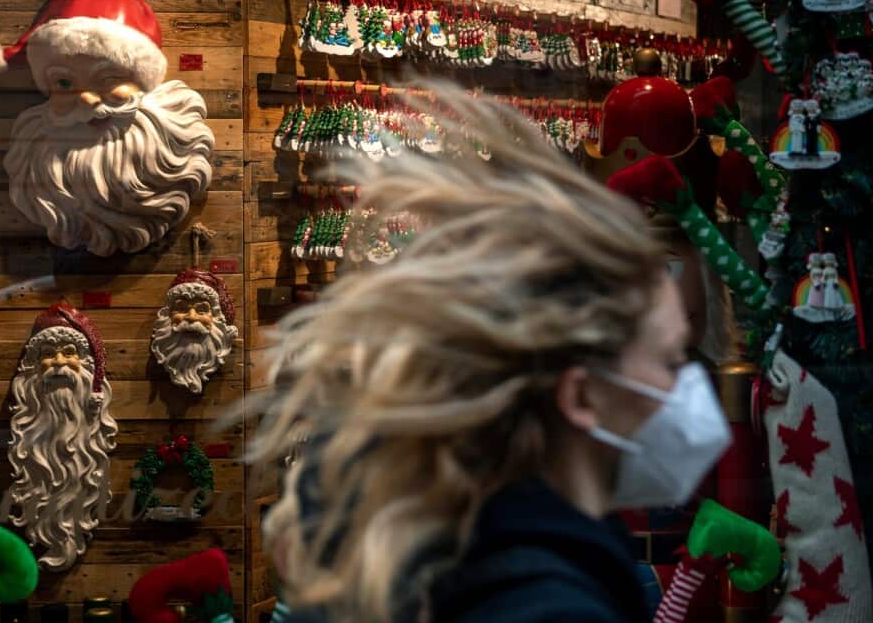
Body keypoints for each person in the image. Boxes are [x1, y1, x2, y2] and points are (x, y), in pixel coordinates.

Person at [246, 84, 732, 623]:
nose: (686, 391)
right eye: (667, 362)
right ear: (579, 394)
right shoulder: (546, 607)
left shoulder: (441, 543)